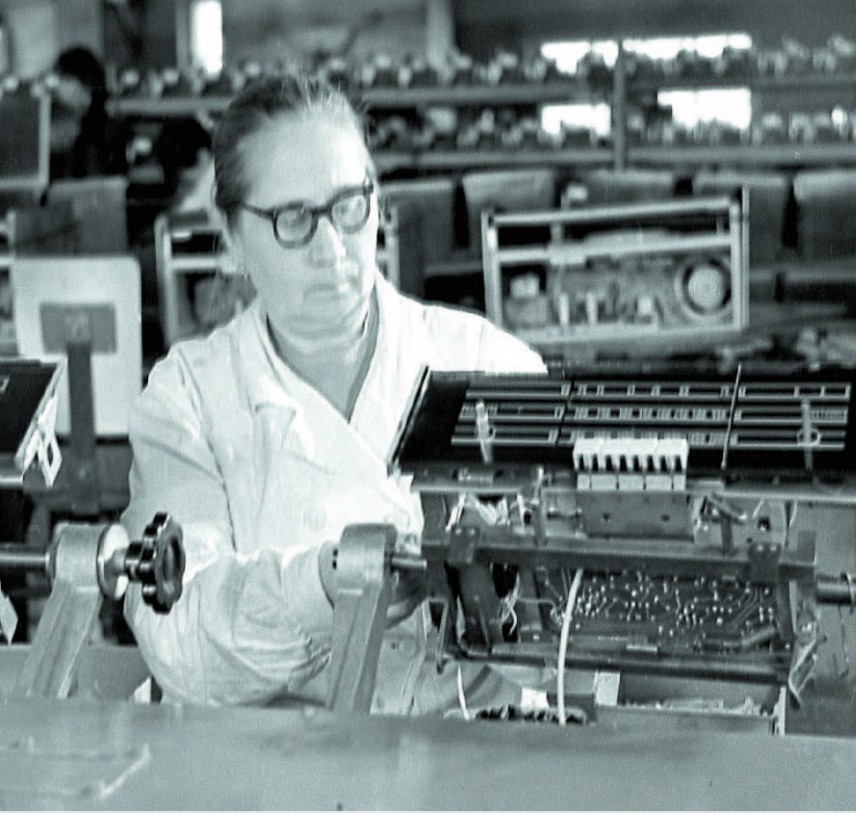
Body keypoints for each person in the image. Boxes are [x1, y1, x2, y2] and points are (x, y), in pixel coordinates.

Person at [121, 71, 546, 711]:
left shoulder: (487, 364)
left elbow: (574, 632)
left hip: (477, 750)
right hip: (278, 763)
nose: (332, 249)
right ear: (231, 238)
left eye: (349, 206)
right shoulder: (190, 400)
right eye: (294, 219)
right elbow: (180, 640)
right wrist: (323, 587)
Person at [49, 46, 126, 179]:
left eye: (63, 78)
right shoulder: (56, 118)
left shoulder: (105, 129)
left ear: (85, 85)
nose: (57, 87)